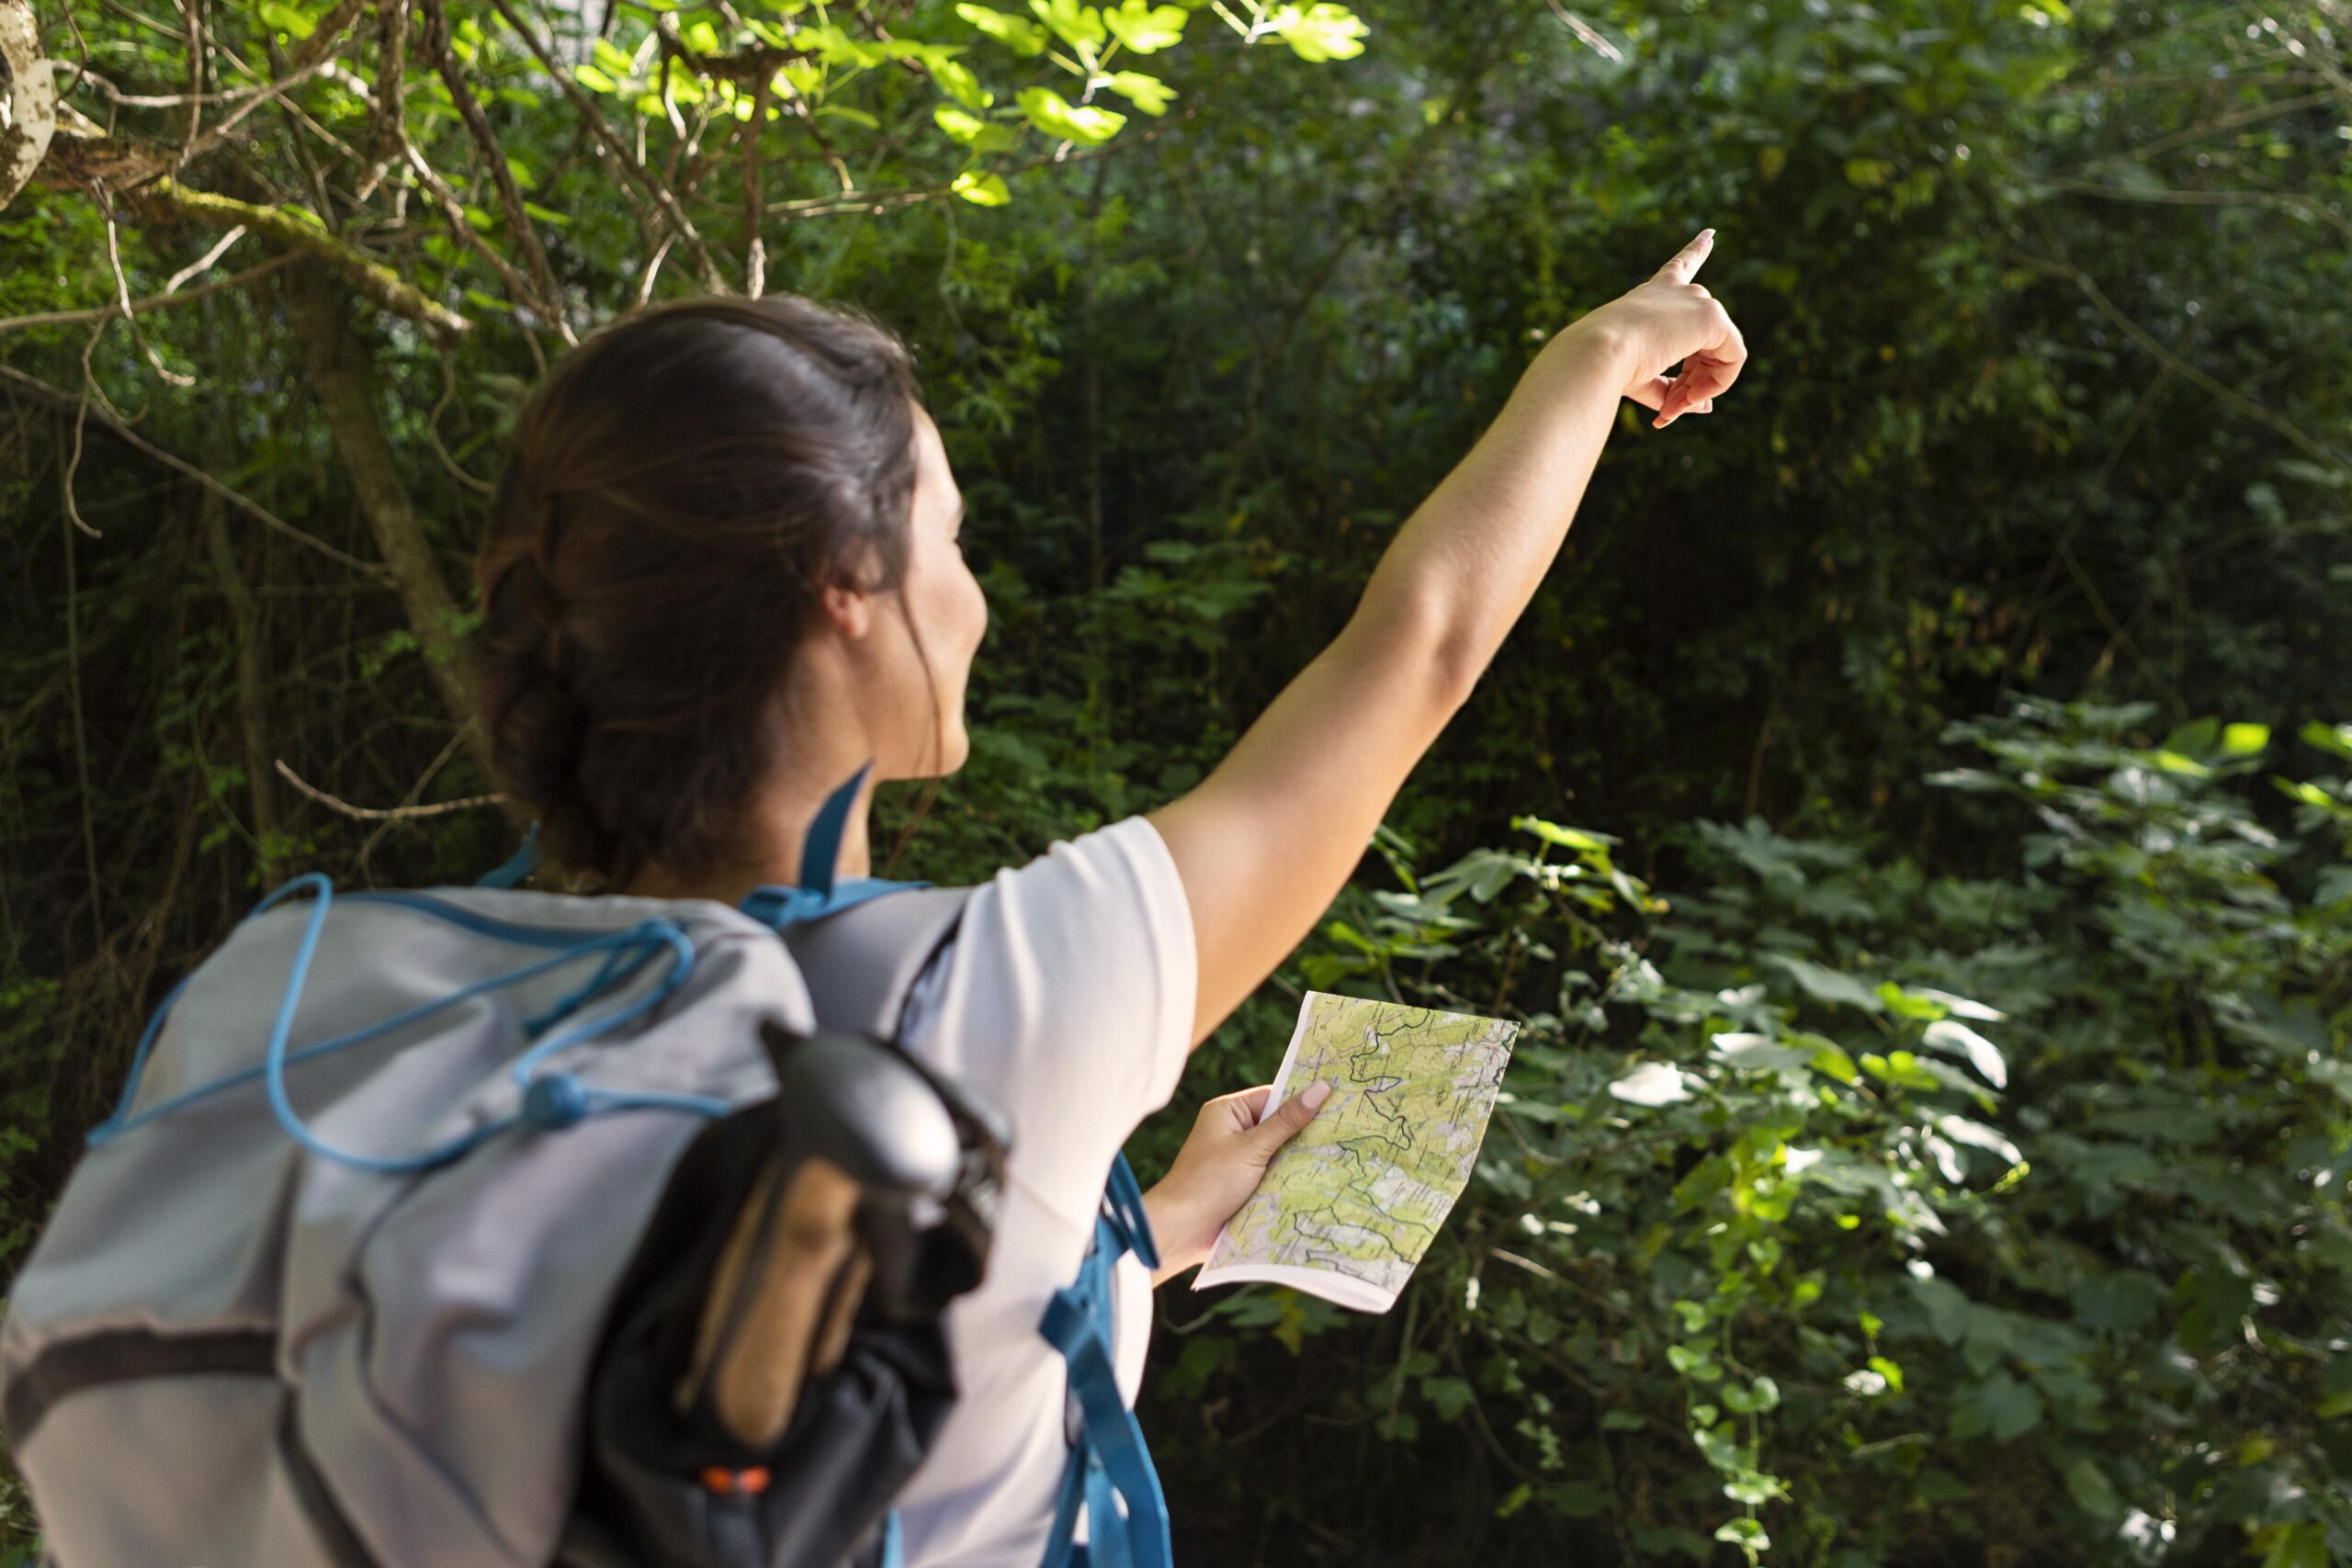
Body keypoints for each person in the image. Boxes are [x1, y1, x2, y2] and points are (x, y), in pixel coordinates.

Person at [472, 230, 1745, 1567]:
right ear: (845, 588)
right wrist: (1599, 352)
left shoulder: (441, 1000)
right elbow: (1423, 646)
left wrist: (1158, 1224)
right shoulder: (994, 999)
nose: (972, 601)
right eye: (950, 540)